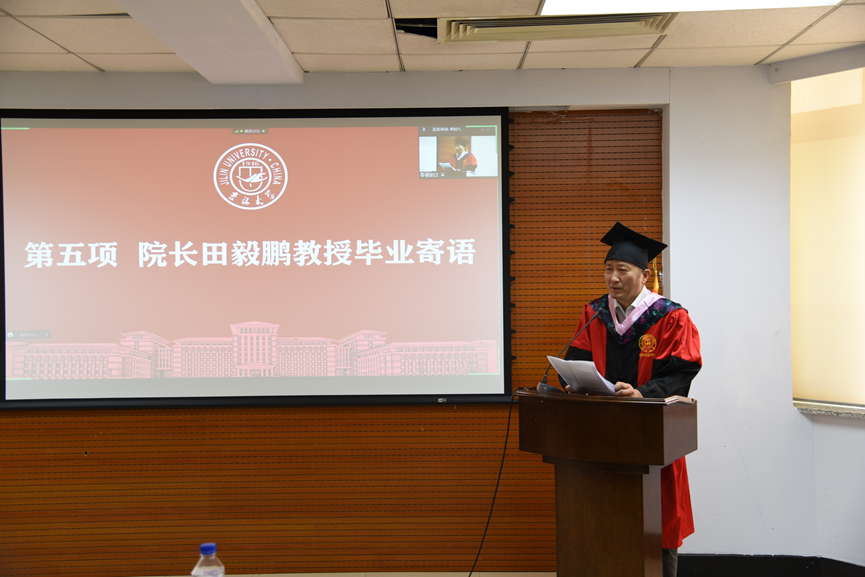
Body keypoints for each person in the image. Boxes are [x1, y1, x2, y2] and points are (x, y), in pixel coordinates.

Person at [560, 221, 702, 577]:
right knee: (602, 520)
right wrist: (572, 382)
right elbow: (578, 358)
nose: (613, 278)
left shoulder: (670, 316)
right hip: (601, 439)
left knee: (659, 520)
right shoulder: (595, 313)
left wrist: (642, 393)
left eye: (622, 269)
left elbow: (682, 370)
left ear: (645, 274)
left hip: (651, 439)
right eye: (608, 269)